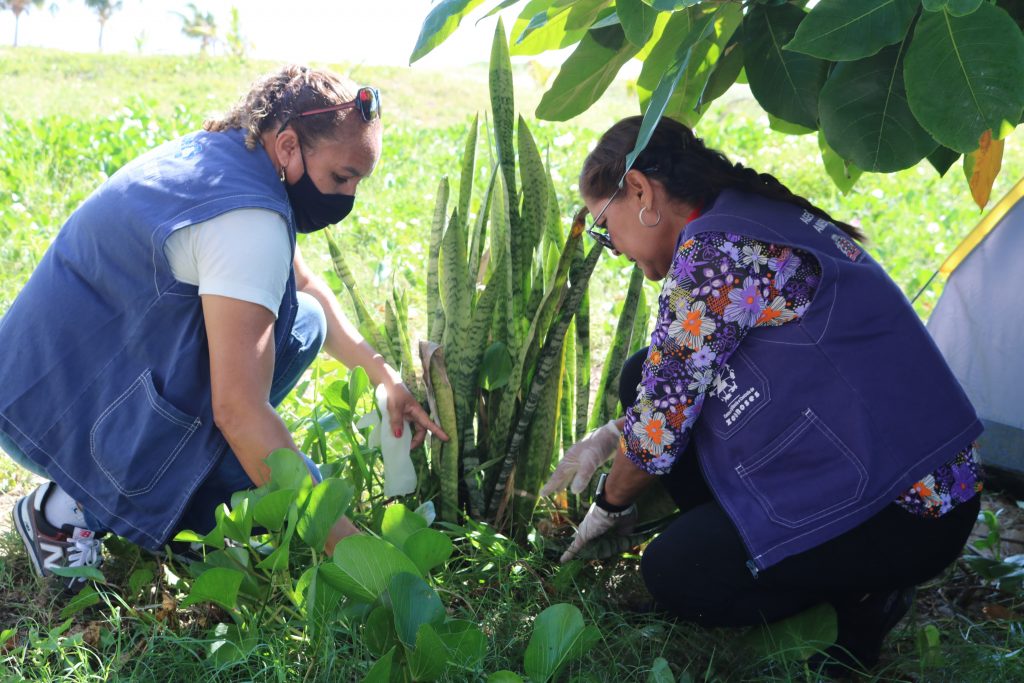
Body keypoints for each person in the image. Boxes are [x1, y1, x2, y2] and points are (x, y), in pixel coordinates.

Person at [541, 116, 983, 673]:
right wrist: (613, 434)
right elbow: (666, 387)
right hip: (921, 471)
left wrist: (607, 506)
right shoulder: (739, 214)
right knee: (640, 375)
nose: (615, 249)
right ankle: (789, 553)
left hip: (910, 507)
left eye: (607, 229)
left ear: (640, 191)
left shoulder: (714, 254)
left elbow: (656, 436)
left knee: (678, 573)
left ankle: (858, 605)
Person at [1, 65, 445, 592]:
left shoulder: (229, 155)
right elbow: (238, 411)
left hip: (38, 381)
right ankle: (64, 508)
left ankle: (173, 502)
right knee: (245, 447)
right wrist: (352, 551)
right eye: (342, 177)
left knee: (301, 322)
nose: (347, 198)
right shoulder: (248, 222)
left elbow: (301, 284)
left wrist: (381, 375)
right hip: (49, 420)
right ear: (288, 147)